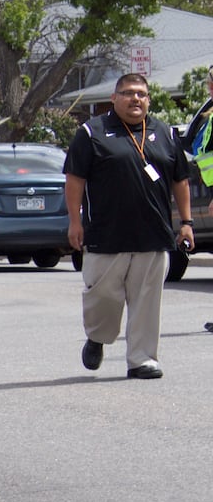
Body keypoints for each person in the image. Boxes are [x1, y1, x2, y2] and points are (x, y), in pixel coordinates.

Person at [64, 72, 192, 379]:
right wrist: (74, 221)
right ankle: (97, 337)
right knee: (104, 298)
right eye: (128, 93)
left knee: (147, 301)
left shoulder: (164, 133)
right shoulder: (92, 132)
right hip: (106, 234)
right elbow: (75, 179)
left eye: (141, 94)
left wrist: (186, 222)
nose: (135, 99)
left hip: (153, 234)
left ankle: (142, 359)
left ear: (148, 100)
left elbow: (180, 180)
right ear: (114, 98)